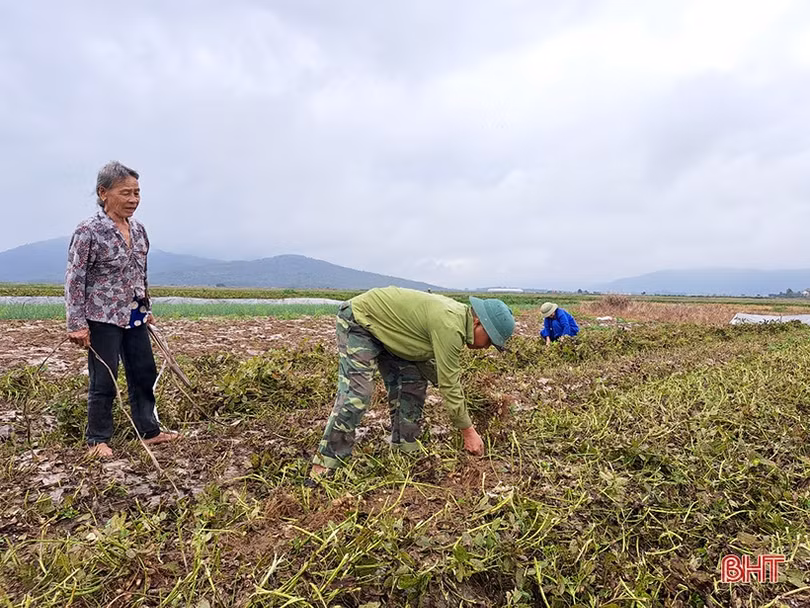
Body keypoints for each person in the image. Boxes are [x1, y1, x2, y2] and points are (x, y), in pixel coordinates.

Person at [309, 287, 515, 480]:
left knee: (413, 385)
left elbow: (430, 366)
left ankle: (405, 452)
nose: (487, 347)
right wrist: (468, 431)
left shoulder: (457, 321)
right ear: (478, 322)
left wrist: (462, 398)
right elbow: (449, 383)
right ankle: (325, 465)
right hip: (361, 321)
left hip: (396, 336)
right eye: (489, 341)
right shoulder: (450, 324)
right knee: (357, 395)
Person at [65, 161, 180, 458]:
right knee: (104, 377)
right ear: (103, 193)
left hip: (134, 314)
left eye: (137, 193)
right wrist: (76, 323)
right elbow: (75, 278)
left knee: (144, 371)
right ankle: (97, 439)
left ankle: (149, 430)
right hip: (102, 316)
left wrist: (147, 307)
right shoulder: (89, 231)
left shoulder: (139, 231)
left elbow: (141, 272)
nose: (133, 200)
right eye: (126, 193)